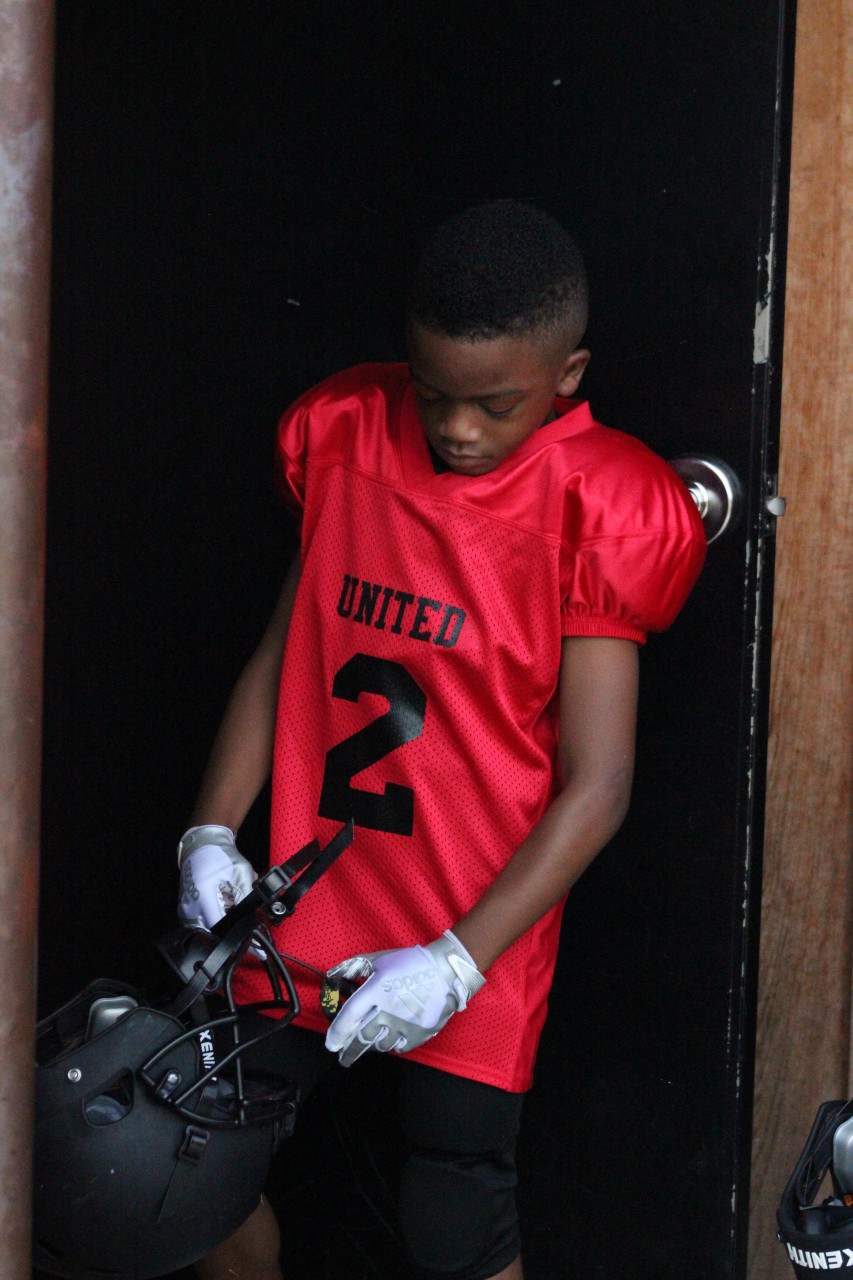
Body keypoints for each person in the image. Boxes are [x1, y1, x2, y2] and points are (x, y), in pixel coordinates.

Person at [176, 200, 707, 1280]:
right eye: (434, 395)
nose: (458, 428)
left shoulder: (594, 501)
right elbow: (283, 655)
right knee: (187, 1170)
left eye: (494, 403)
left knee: (456, 1219)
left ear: (568, 375)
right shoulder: (347, 434)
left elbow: (597, 784)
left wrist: (459, 959)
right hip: (301, 893)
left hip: (474, 912)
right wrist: (206, 831)